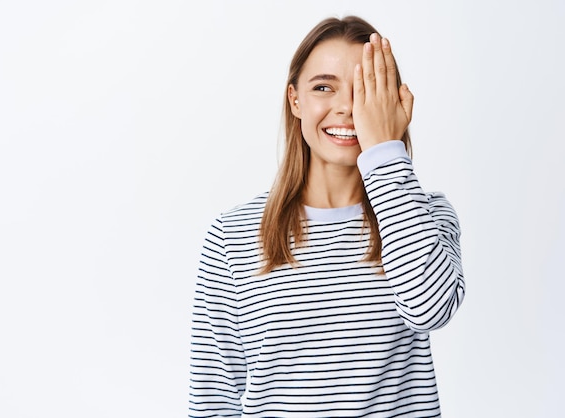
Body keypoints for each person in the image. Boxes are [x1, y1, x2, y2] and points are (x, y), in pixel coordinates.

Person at [189, 15, 465, 417]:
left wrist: (385, 150)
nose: (347, 108)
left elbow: (430, 309)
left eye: (365, 91)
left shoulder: (427, 215)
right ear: (295, 100)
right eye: (323, 87)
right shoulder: (232, 235)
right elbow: (215, 398)